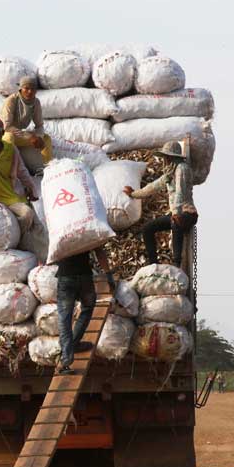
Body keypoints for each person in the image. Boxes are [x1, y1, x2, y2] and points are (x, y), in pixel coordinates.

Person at [123, 139, 198, 267]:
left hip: (187, 213)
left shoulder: (182, 168)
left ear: (172, 157)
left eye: (167, 157)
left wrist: (176, 213)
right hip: (177, 215)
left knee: (175, 223)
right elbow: (152, 187)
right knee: (147, 228)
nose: (165, 160)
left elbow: (181, 191)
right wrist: (133, 194)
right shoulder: (169, 173)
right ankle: (153, 264)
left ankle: (176, 264)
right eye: (164, 157)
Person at [0, 117, 42, 237]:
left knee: (28, 214)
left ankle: (15, 236)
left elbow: (22, 171)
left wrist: (32, 189)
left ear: (3, 133)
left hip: (11, 197)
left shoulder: (11, 149)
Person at [55, 248, 115, 375]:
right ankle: (74, 344)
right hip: (85, 277)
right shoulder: (85, 230)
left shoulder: (61, 230)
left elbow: (54, 253)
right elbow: (99, 251)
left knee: (64, 317)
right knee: (87, 308)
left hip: (65, 278)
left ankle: (66, 360)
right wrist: (108, 275)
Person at [0, 76, 53, 174]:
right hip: (4, 133)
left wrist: (39, 137)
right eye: (27, 88)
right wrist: (29, 136)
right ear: (20, 89)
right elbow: (6, 127)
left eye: (33, 89)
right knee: (8, 137)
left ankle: (49, 169)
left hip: (19, 134)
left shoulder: (36, 102)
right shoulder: (11, 101)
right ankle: (6, 170)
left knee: (46, 139)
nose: (30, 91)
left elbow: (39, 125)